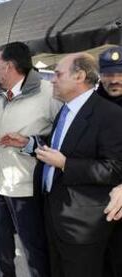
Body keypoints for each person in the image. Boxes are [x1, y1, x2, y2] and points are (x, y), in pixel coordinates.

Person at [0, 42, 61, 277]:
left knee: (33, 249)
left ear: (9, 66)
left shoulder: (49, 93)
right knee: (0, 246)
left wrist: (30, 143)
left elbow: (66, 136)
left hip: (27, 188)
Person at [31, 53, 122, 277]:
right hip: (54, 216)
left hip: (83, 226)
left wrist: (65, 164)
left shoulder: (109, 114)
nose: (53, 80)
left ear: (79, 75)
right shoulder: (66, 109)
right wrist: (28, 145)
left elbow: (114, 168)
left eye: (58, 74)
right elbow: (69, 145)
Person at [96, 46, 122, 277]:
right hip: (92, 207)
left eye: (120, 73)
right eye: (108, 73)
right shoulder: (88, 104)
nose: (114, 79)